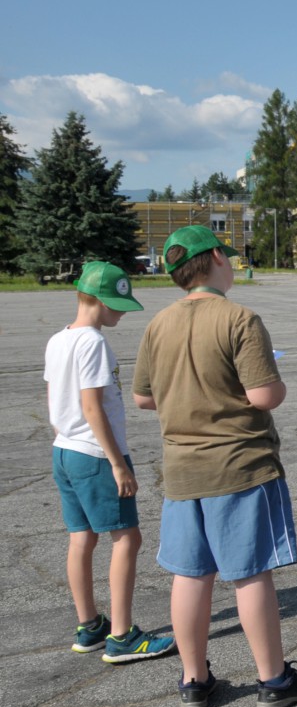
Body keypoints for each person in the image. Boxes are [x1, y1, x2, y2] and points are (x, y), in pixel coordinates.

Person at [133, 225, 297, 707]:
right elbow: (263, 395)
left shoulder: (158, 324)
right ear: (217, 258)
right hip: (239, 466)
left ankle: (194, 680)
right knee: (250, 574)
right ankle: (274, 679)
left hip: (181, 470)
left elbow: (143, 397)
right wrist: (274, 386)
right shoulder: (239, 318)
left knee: (190, 575)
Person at [45, 262, 176, 664]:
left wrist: (67, 437)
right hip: (95, 453)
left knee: (82, 538)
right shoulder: (93, 343)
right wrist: (118, 464)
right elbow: (92, 407)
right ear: (99, 301)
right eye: (118, 305)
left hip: (65, 449)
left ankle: (90, 625)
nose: (122, 312)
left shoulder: (58, 339)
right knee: (127, 538)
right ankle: (121, 634)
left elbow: (55, 399)